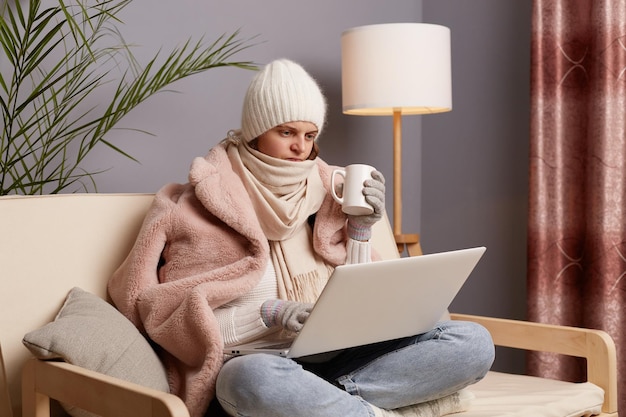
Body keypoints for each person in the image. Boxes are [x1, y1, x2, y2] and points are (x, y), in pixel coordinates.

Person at [108, 59, 495, 417]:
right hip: (259, 365)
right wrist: (270, 314)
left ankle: (324, 403)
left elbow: (361, 304)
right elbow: (164, 316)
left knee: (473, 341)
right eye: (287, 132)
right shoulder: (192, 206)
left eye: (310, 135)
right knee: (249, 379)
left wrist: (361, 227)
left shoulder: (331, 193)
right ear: (256, 132)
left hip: (341, 360)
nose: (300, 148)